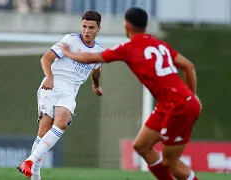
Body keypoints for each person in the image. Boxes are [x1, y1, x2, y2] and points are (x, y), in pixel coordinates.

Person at [61, 7, 201, 180]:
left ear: (126, 25)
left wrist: (67, 52)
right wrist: (192, 95)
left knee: (170, 163)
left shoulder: (128, 48)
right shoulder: (158, 44)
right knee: (142, 146)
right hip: (171, 103)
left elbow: (91, 58)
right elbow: (189, 66)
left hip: (179, 106)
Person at [17, 10, 105, 179]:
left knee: (61, 122)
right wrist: (49, 77)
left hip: (69, 92)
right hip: (52, 86)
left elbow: (96, 70)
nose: (86, 31)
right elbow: (45, 59)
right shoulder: (70, 40)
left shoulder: (99, 51)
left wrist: (96, 86)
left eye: (91, 27)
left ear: (98, 29)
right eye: (84, 26)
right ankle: (34, 173)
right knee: (44, 130)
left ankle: (28, 162)